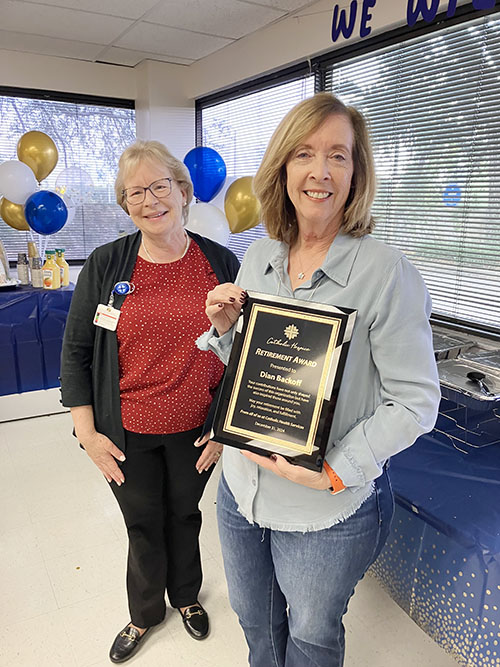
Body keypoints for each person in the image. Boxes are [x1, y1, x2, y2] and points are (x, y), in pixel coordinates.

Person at [198, 93, 441, 667]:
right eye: (305, 153)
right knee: (256, 624)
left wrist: (335, 470)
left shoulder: (386, 273)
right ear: (283, 167)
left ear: (357, 173)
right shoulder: (259, 256)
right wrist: (226, 330)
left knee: (309, 639)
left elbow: (415, 403)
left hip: (323, 511)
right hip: (242, 488)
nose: (320, 171)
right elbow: (262, 371)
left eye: (339, 155)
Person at [60, 140, 239, 664]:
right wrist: (88, 434)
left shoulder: (219, 260)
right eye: (135, 192)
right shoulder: (105, 264)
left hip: (196, 427)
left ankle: (185, 598)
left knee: (185, 514)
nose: (149, 200)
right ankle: (144, 614)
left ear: (183, 192)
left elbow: (246, 351)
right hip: (126, 430)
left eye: (160, 186)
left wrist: (226, 426)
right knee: (142, 520)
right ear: (125, 204)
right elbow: (77, 353)